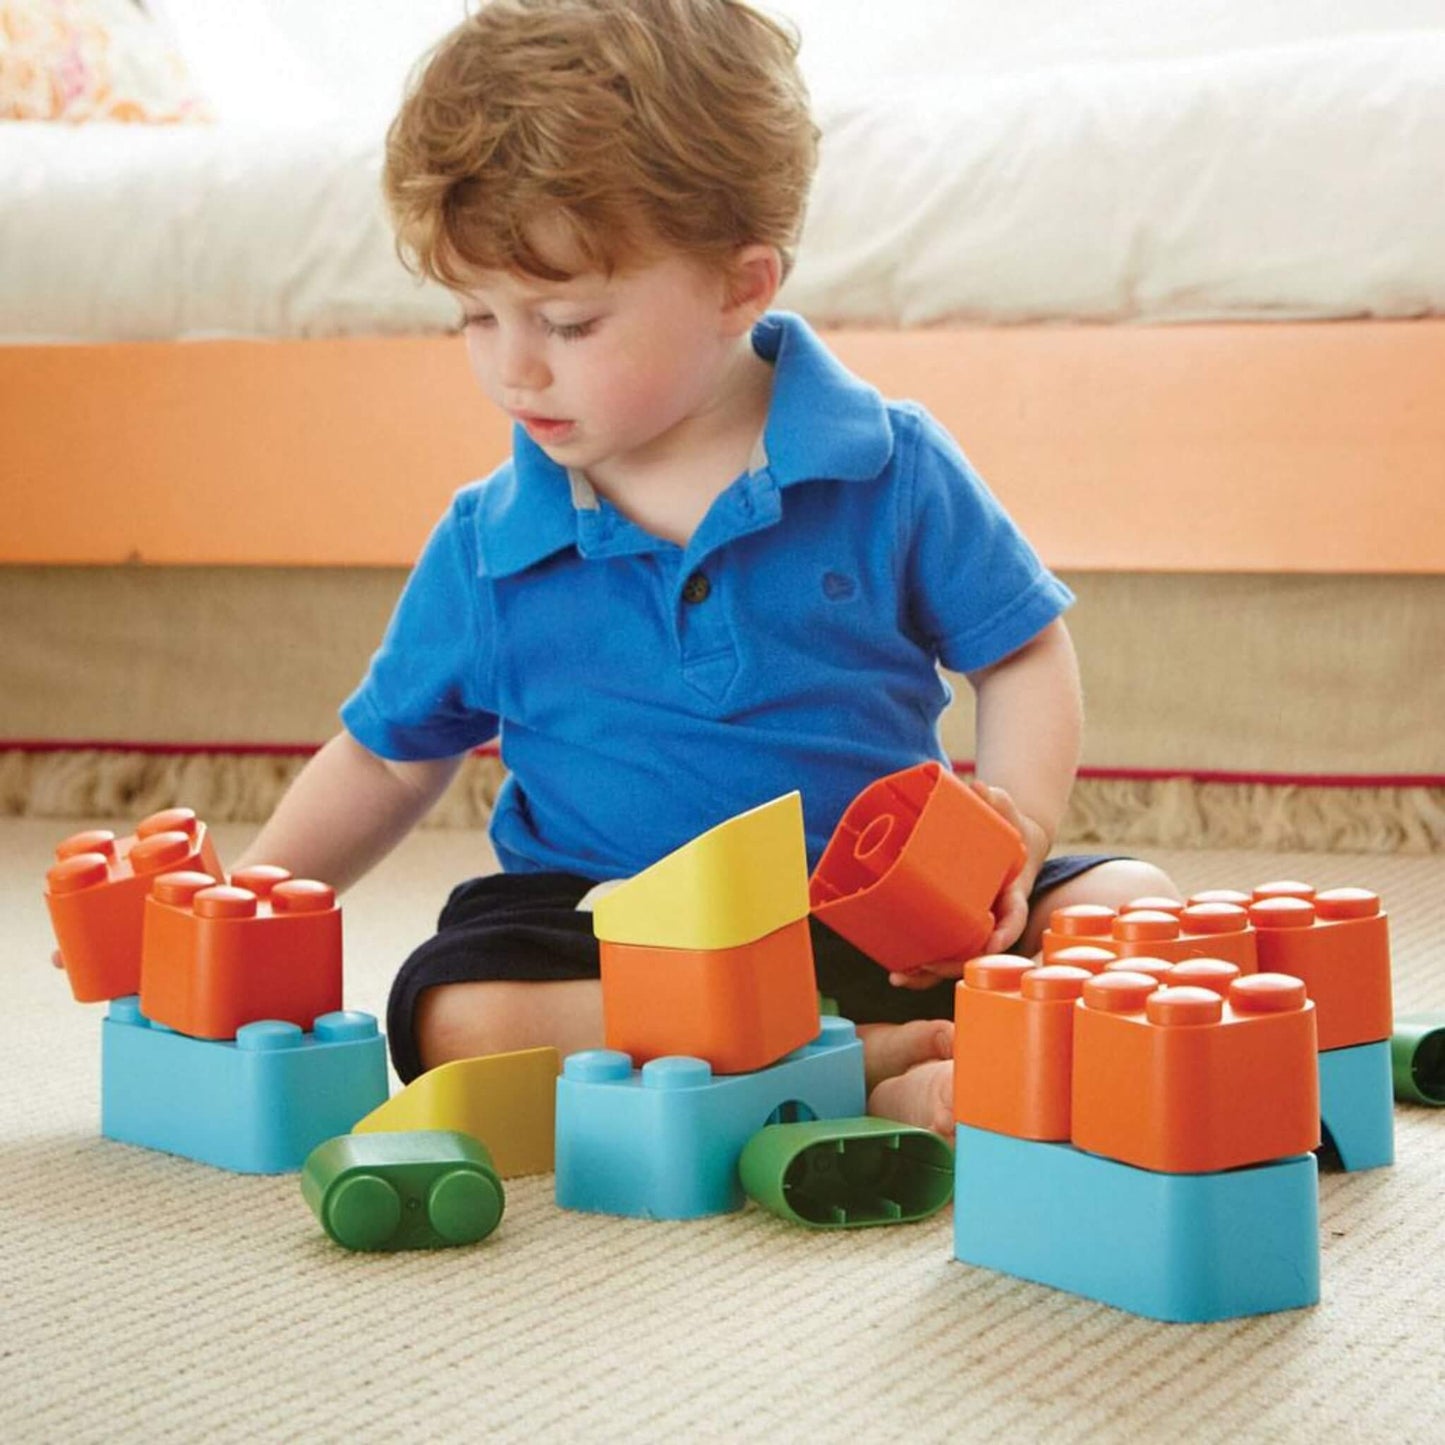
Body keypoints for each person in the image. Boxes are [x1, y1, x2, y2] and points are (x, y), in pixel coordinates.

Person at [233, 0, 1178, 1135]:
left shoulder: (888, 466)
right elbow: (388, 763)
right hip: (610, 930)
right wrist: (246, 911)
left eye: (567, 321)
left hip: (874, 916)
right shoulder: (490, 541)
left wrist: (1015, 825)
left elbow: (1020, 649)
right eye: (475, 317)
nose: (513, 369)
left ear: (741, 285)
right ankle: (872, 1065)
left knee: (1133, 906)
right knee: (454, 1012)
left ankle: (854, 1048)